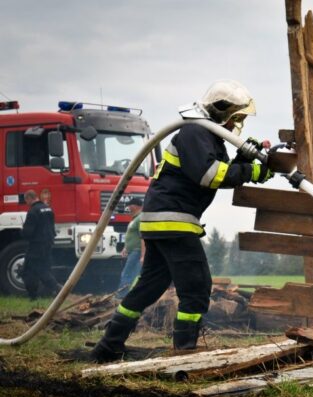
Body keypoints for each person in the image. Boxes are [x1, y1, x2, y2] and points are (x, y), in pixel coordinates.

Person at [90, 80, 274, 363]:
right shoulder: (195, 131)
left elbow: (217, 170)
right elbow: (210, 175)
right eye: (237, 118)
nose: (237, 124)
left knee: (147, 287)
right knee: (197, 288)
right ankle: (185, 351)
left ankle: (109, 344)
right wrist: (252, 171)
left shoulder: (206, 137)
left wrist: (244, 157)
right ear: (223, 113)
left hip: (159, 221)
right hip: (173, 221)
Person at [21, 190, 58, 300]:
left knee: (28, 271)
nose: (26, 203)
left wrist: (21, 231)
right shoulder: (48, 209)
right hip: (48, 244)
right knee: (44, 268)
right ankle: (55, 289)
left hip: (36, 245)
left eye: (26, 201)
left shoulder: (33, 211)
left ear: (28, 198)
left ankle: (34, 296)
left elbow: (28, 233)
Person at [115, 197, 144, 299]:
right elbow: (130, 235)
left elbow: (142, 238)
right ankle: (127, 295)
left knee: (128, 273)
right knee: (131, 273)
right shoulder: (135, 218)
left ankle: (122, 296)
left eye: (130, 205)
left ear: (136, 206)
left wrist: (143, 255)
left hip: (137, 251)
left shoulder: (140, 218)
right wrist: (125, 248)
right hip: (133, 251)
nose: (128, 207)